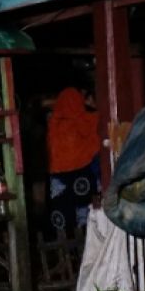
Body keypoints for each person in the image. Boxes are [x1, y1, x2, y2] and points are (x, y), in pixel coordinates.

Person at [45, 86, 101, 238]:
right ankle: (85, 246)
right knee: (84, 211)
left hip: (58, 176)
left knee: (62, 212)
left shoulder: (54, 124)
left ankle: (65, 251)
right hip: (81, 173)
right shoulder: (87, 119)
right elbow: (97, 136)